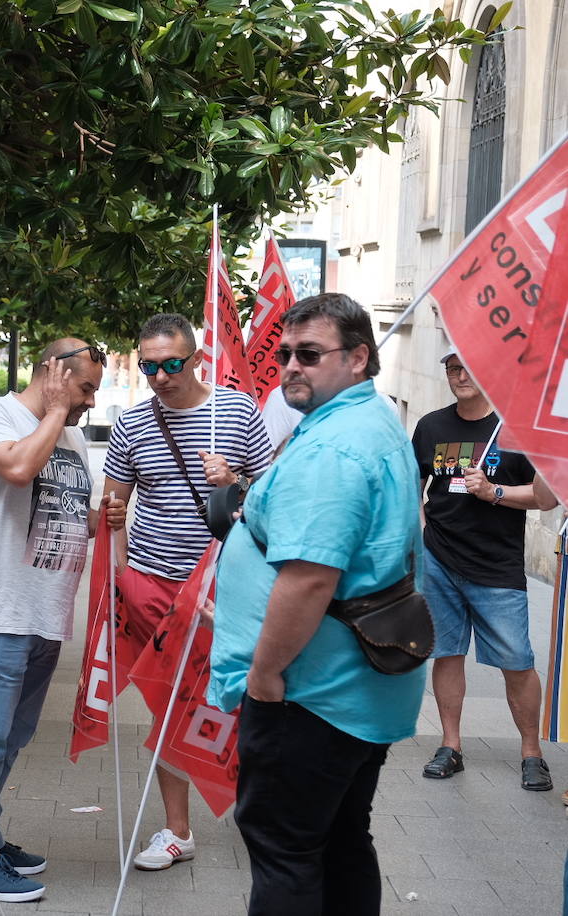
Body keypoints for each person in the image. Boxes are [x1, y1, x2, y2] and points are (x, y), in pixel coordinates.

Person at [209, 293, 425, 915]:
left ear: (358, 358)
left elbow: (309, 580)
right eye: (284, 354)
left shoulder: (335, 446)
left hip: (311, 693)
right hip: (351, 685)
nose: (290, 367)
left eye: (309, 353)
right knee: (337, 840)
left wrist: (265, 673)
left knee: (286, 850)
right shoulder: (358, 421)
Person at [0, 339, 114, 903]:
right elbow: (17, 469)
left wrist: (98, 517)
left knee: (11, 738)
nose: (90, 400)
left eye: (93, 389)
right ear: (53, 370)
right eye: (84, 385)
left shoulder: (65, 433)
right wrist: (61, 409)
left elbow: (55, 509)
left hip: (43, 614)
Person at [102, 312, 272, 871]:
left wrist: (237, 483)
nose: (159, 376)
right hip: (152, 584)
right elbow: (113, 509)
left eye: (171, 364)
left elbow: (273, 500)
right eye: (149, 366)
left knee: (231, 701)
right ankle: (178, 831)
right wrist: (116, 560)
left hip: (224, 586)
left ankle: (255, 811)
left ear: (196, 358)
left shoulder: (236, 412)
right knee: (169, 702)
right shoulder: (131, 424)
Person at [414, 349, 559, 789]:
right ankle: (451, 745)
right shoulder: (431, 426)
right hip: (439, 561)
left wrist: (494, 492)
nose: (459, 375)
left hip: (496, 567)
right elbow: (410, 485)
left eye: (467, 367)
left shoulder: (515, 429)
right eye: (452, 368)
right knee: (447, 653)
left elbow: (546, 499)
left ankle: (531, 752)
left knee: (517, 660)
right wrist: (424, 533)